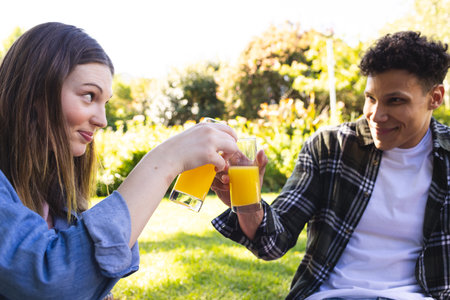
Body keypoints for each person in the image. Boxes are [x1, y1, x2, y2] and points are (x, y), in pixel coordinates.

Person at [0, 22, 238, 300]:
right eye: (89, 96)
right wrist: (164, 162)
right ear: (36, 93)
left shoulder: (50, 190)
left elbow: (80, 275)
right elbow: (50, 280)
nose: (102, 120)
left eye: (105, 103)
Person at [211, 31, 450, 300]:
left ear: (435, 97)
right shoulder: (330, 147)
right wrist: (248, 202)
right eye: (370, 98)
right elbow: (272, 244)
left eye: (395, 100)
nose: (376, 115)